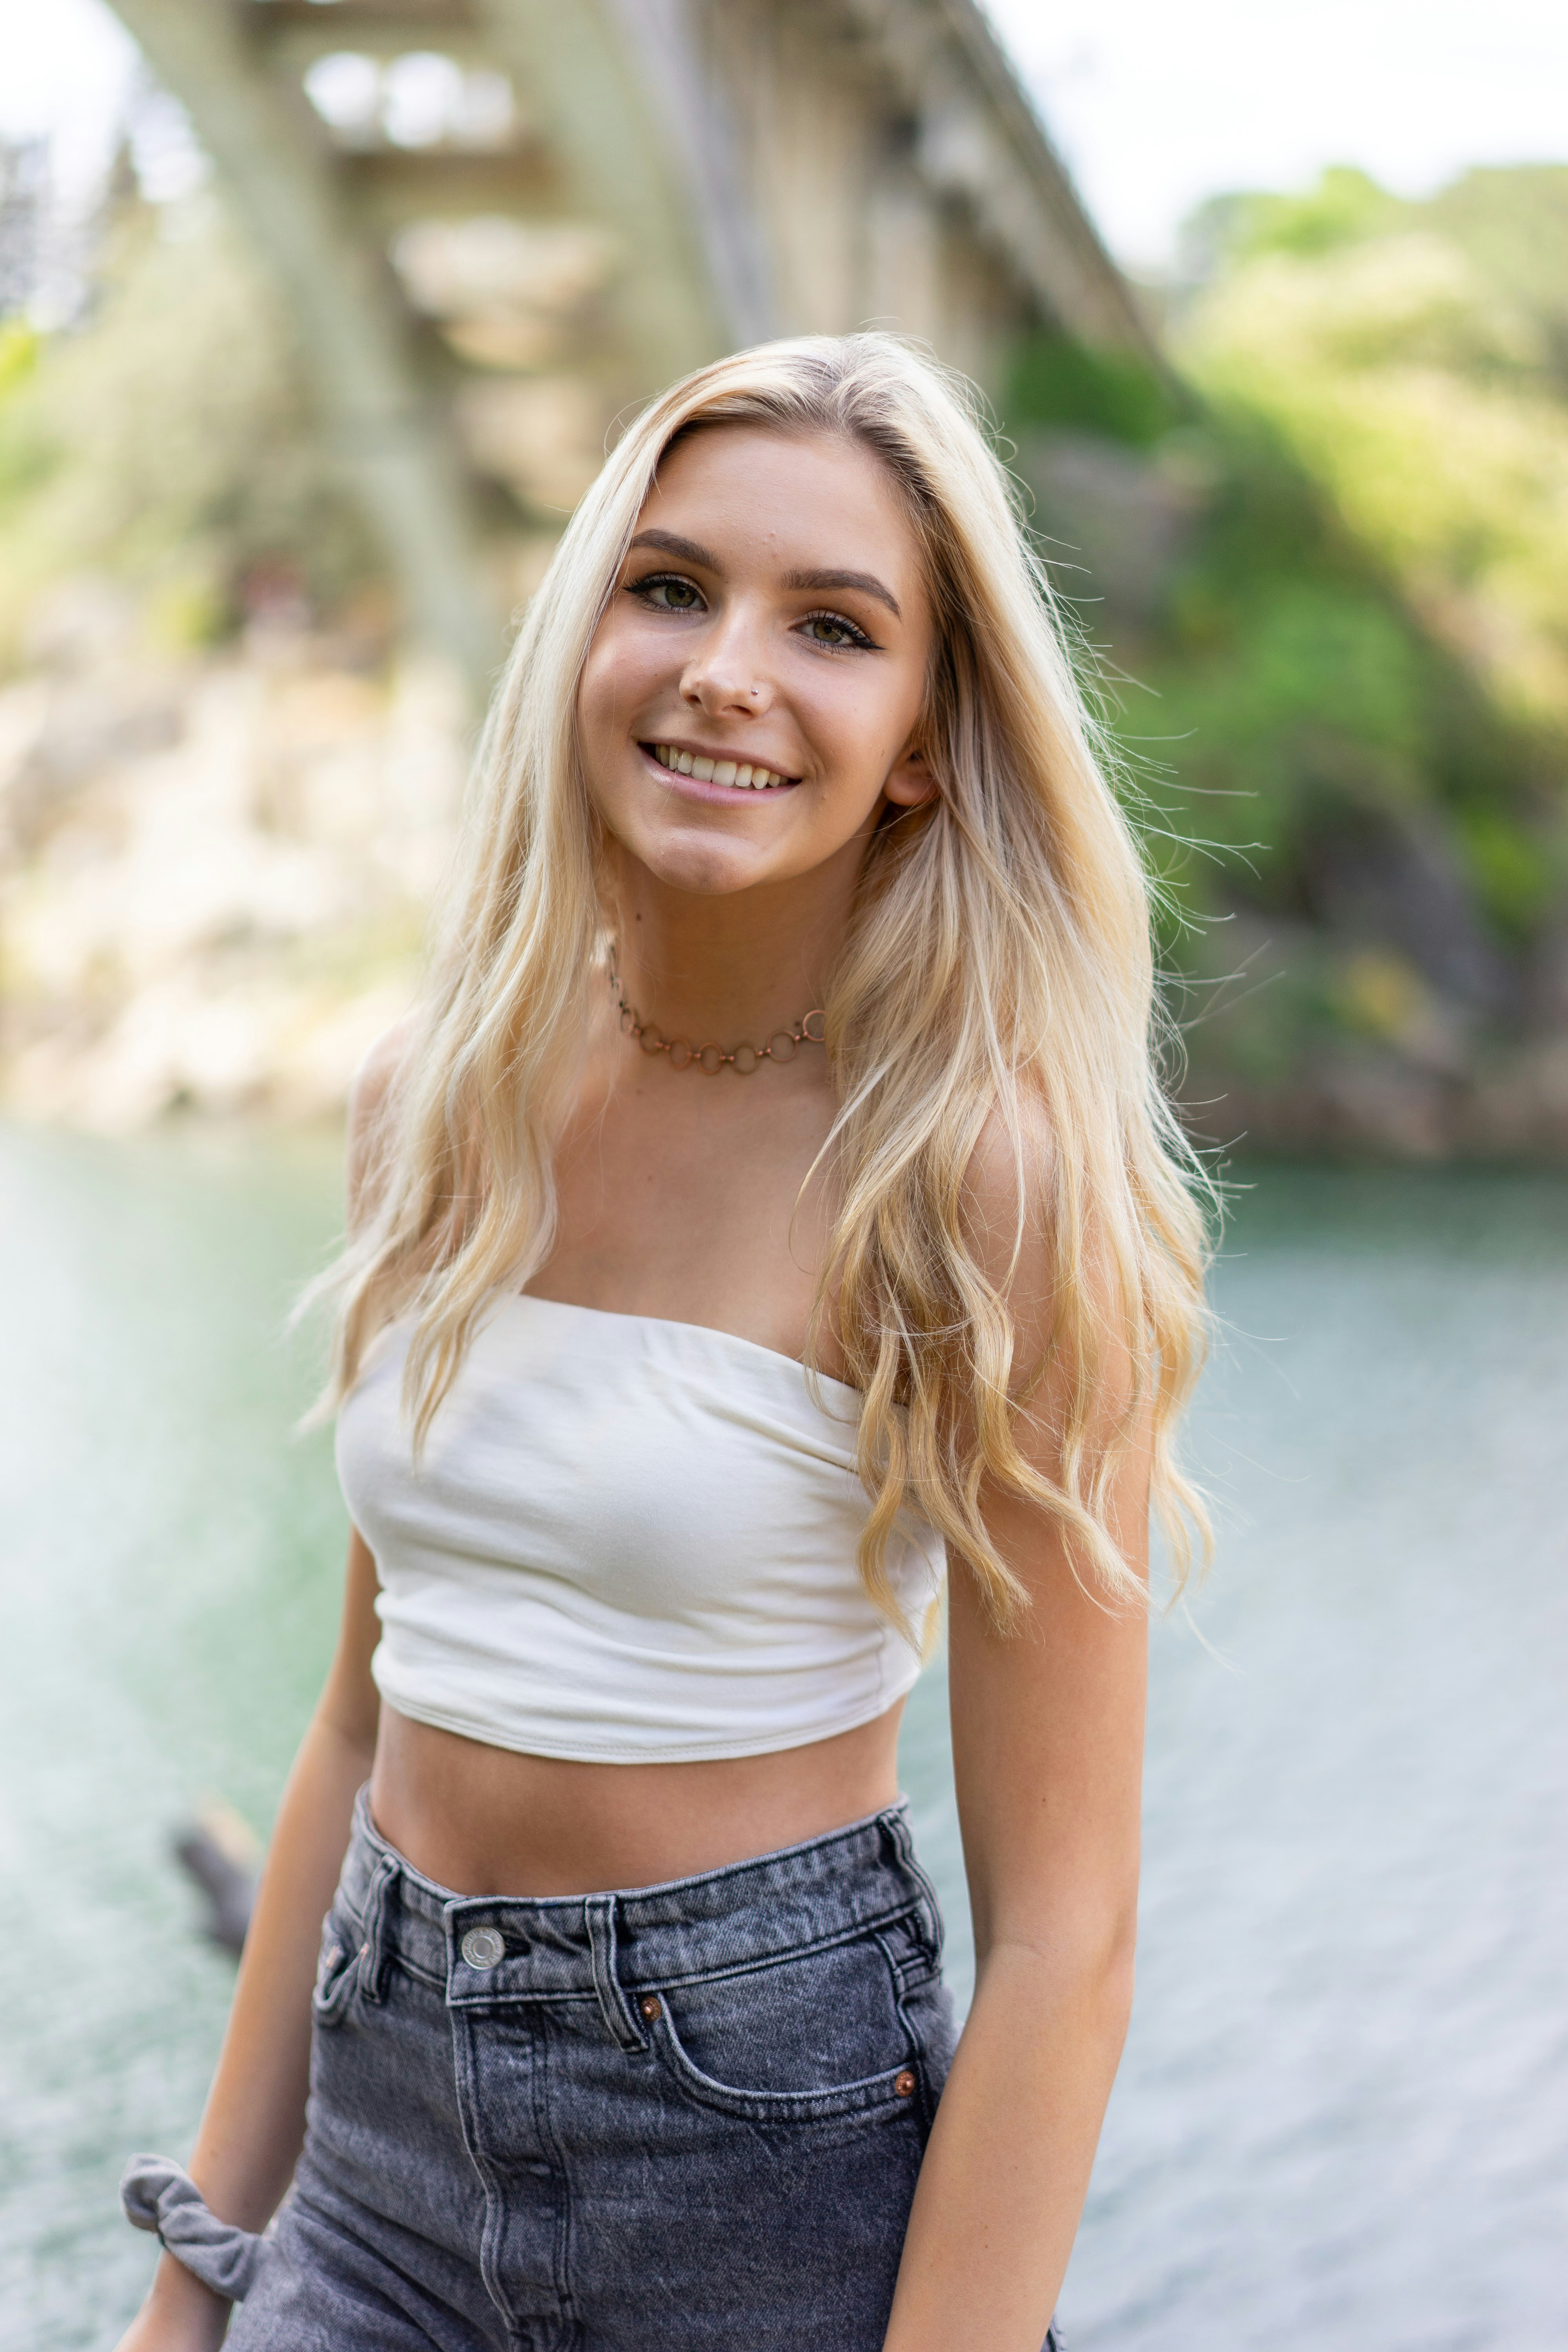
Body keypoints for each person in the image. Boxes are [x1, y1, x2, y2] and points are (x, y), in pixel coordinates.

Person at [116, 333, 1210, 2352]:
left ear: (922, 743)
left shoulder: (979, 1186)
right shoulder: (432, 1096)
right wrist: (195, 2287)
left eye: (833, 625)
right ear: (582, 634)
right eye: (671, 586)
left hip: (763, 2193)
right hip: (367, 2188)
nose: (727, 668)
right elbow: (360, 1725)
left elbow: (1066, 1937)